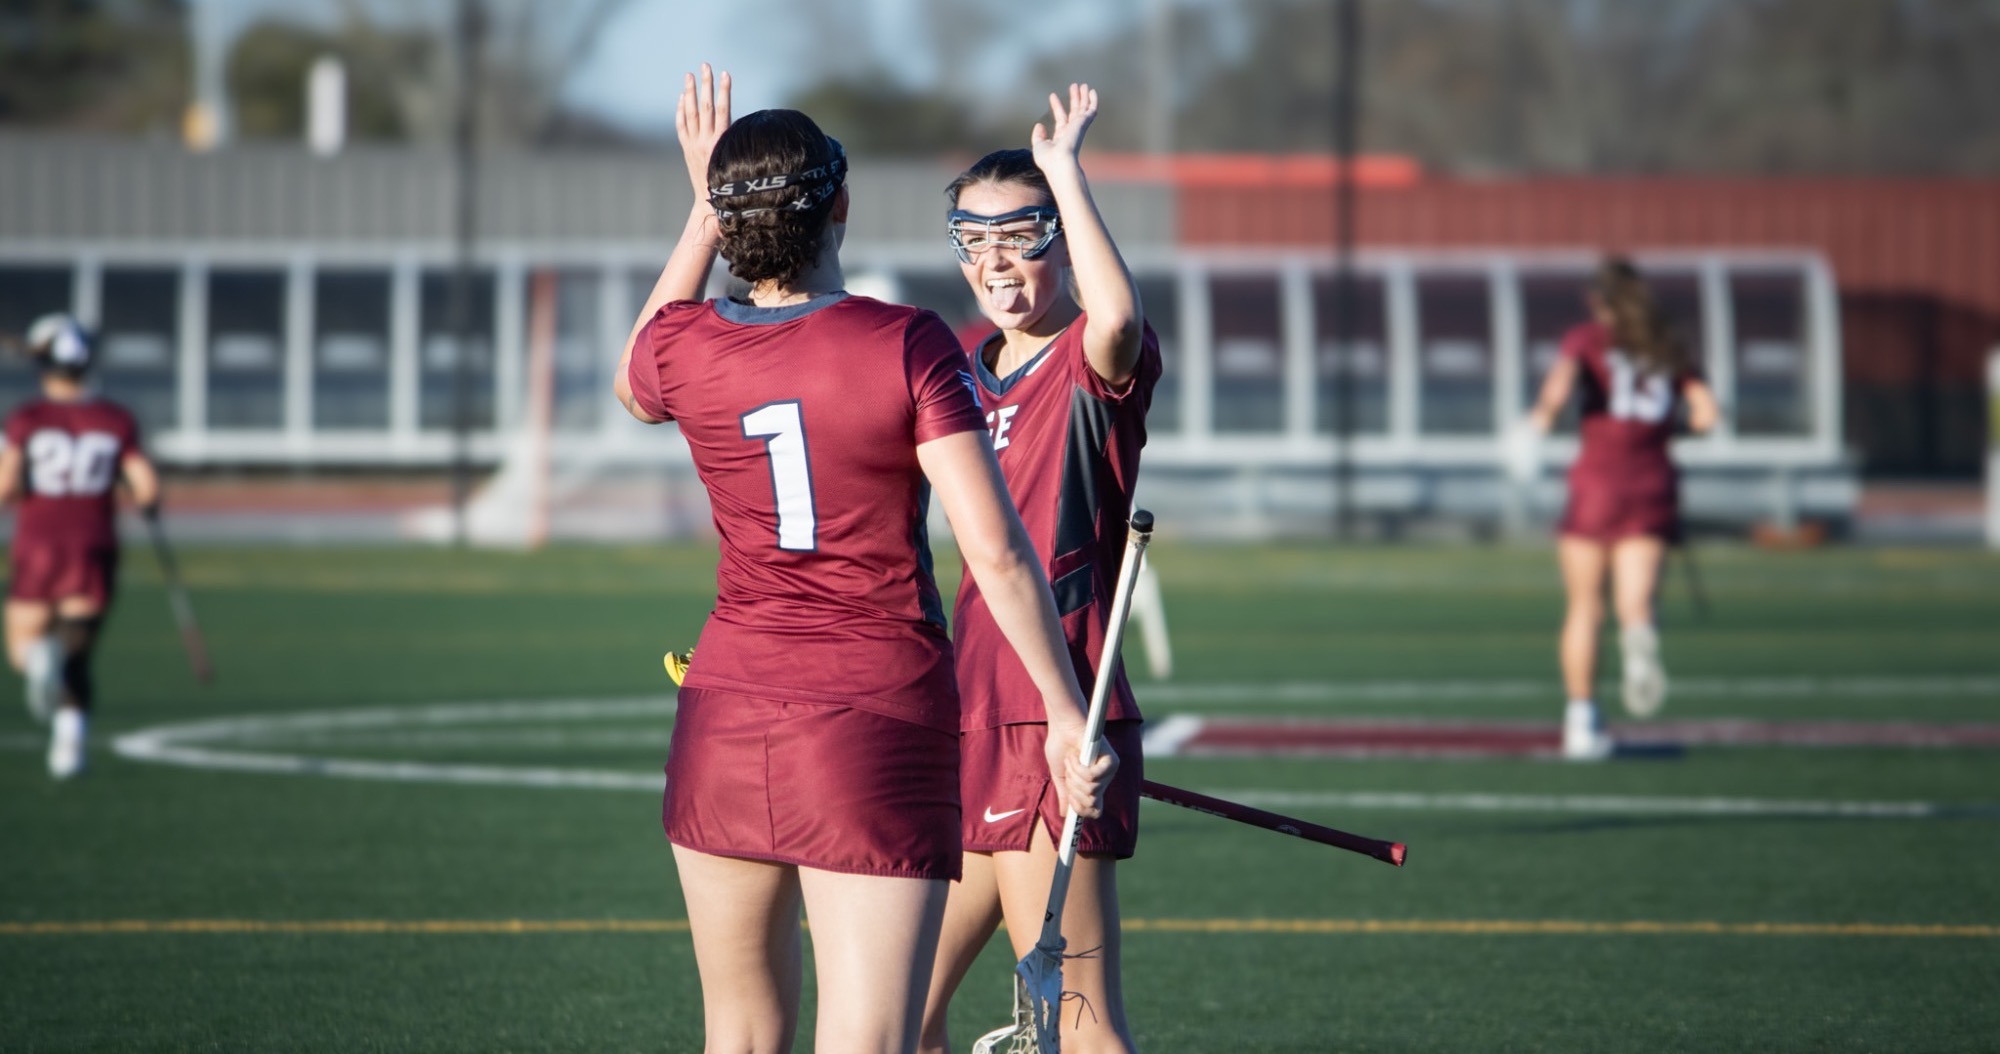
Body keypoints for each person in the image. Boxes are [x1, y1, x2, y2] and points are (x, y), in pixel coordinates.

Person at [611, 66, 1116, 1054]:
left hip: (721, 717)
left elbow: (637, 378)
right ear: (840, 206)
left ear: (726, 222)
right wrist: (1062, 711)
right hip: (870, 721)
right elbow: (998, 554)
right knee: (867, 1038)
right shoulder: (905, 342)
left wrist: (702, 208)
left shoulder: (683, 346)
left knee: (739, 1038)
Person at [920, 84, 1162, 1054]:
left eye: (1021, 236)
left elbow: (1115, 319)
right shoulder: (957, 371)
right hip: (971, 712)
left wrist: (1065, 172)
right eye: (975, 241)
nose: (997, 261)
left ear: (1059, 238)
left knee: (1078, 1026)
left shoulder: (1085, 360)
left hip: (1050, 713)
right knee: (894, 1013)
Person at [1526, 257, 1719, 761]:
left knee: (1585, 607)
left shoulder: (1588, 339)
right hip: (1651, 482)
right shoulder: (1667, 345)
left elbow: (1557, 390)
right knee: (1635, 603)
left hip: (1595, 483)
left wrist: (1538, 423)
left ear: (1597, 300)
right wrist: (1680, 429)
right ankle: (1639, 639)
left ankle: (1582, 720)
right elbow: (1706, 413)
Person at [1, 312, 160, 778]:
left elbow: (5, 486)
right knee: (79, 651)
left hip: (38, 542)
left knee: (22, 645)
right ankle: (69, 746)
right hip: (93, 543)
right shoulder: (115, 419)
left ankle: (36, 661)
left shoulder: (27, 418)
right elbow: (145, 487)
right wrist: (146, 505)